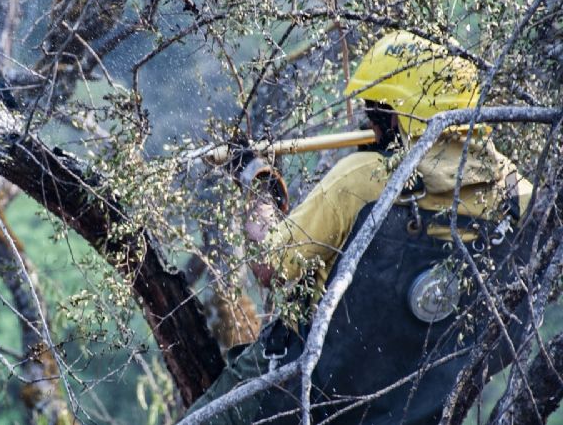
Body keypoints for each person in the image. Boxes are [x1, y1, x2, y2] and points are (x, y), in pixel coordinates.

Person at [186, 31, 534, 424]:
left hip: (305, 390)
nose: (368, 121)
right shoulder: (519, 195)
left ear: (400, 115)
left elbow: (270, 265)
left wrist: (259, 185)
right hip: (415, 408)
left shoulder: (364, 178)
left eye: (376, 111)